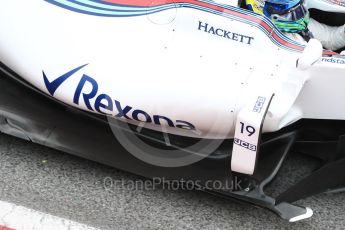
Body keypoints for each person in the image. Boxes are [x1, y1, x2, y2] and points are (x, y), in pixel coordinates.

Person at [245, 0, 345, 51]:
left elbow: (330, 38)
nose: (301, 15)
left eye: (301, 8)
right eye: (293, 12)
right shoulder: (249, 37)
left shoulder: (296, 21)